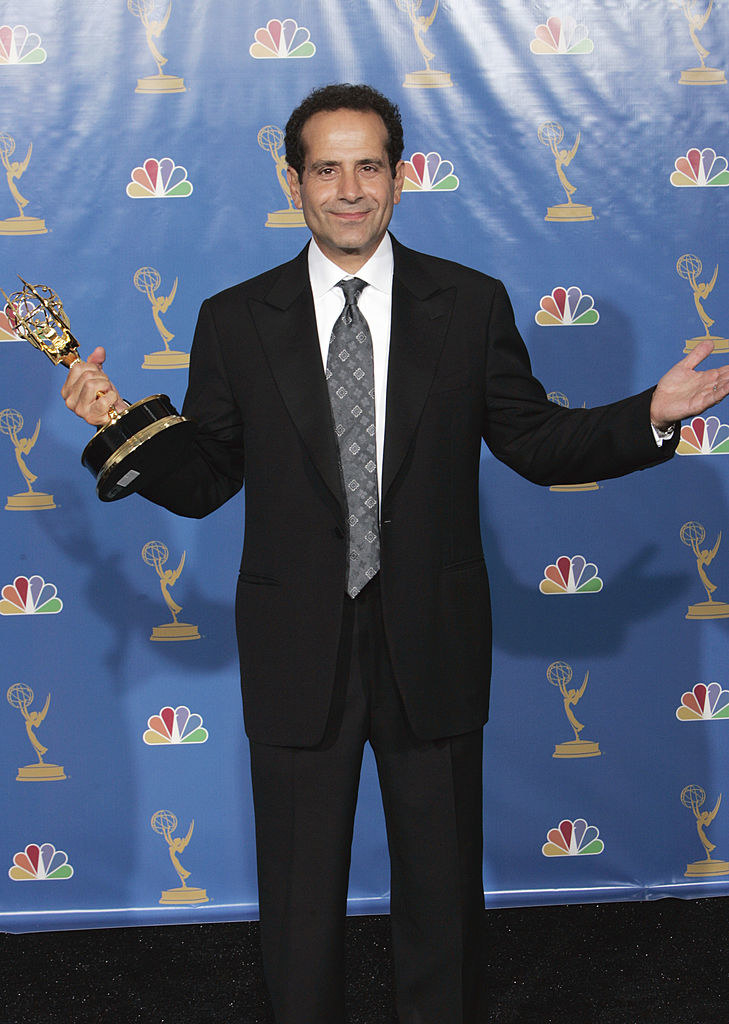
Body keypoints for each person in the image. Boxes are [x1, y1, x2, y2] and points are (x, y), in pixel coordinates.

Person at [61, 84, 729, 1024]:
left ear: (400, 178)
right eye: (325, 168)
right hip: (297, 647)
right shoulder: (233, 318)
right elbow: (209, 477)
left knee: (444, 902)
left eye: (367, 165)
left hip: (434, 641)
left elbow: (536, 444)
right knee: (297, 907)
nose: (347, 189)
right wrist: (123, 424)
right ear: (291, 181)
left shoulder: (468, 303)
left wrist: (647, 418)